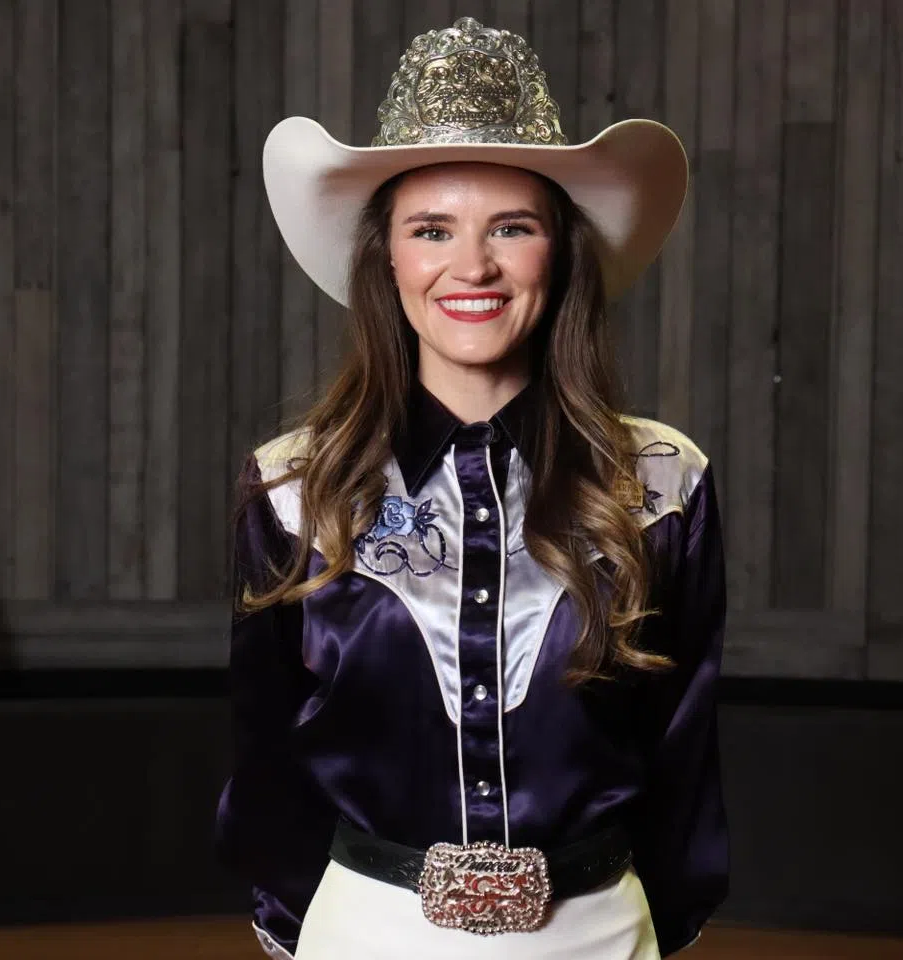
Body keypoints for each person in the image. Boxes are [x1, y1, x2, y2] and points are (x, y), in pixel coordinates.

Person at [215, 17, 727, 960]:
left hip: (599, 933)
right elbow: (268, 750)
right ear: (388, 257)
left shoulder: (665, 483)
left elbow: (682, 748)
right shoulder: (294, 486)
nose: (472, 266)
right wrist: (293, 923)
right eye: (432, 230)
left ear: (559, 253)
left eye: (512, 228)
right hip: (365, 934)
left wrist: (666, 923)